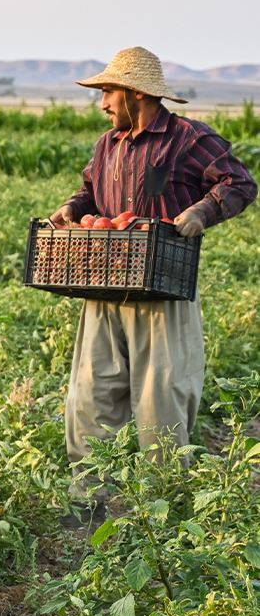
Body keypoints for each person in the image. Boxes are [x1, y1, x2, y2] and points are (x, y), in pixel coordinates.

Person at [49, 46, 255, 495]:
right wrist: (70, 209)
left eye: (108, 92)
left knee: (161, 401)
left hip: (163, 289)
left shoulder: (189, 138)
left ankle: (166, 510)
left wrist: (202, 211)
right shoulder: (108, 145)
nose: (103, 103)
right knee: (89, 396)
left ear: (135, 93)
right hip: (103, 285)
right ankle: (90, 503)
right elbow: (89, 193)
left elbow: (238, 181)